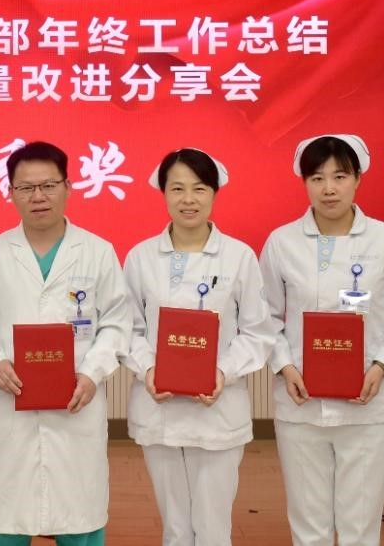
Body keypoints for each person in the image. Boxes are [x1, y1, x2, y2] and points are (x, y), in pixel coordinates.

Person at [260, 133, 384, 546]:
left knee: (360, 526)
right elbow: (265, 318)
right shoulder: (281, 242)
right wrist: (285, 366)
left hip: (367, 405)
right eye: (317, 178)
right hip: (301, 402)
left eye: (339, 176)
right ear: (304, 183)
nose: (328, 188)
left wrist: (381, 366)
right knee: (308, 523)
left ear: (358, 179)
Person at [0, 140, 130, 546]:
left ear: (68, 187)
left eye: (48, 185)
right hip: (8, 407)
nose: (38, 196)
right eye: (26, 188)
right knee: (4, 518)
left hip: (76, 406)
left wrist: (92, 373)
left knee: (78, 515)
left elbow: (117, 323)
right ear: (11, 192)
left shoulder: (98, 252)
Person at [123, 148, 273, 546]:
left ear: (214, 193)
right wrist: (148, 369)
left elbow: (257, 331)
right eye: (177, 189)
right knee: (174, 526)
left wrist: (222, 372)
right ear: (163, 193)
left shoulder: (239, 257)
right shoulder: (140, 257)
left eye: (199, 188)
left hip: (218, 409)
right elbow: (127, 328)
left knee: (213, 526)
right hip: (160, 408)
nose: (188, 199)